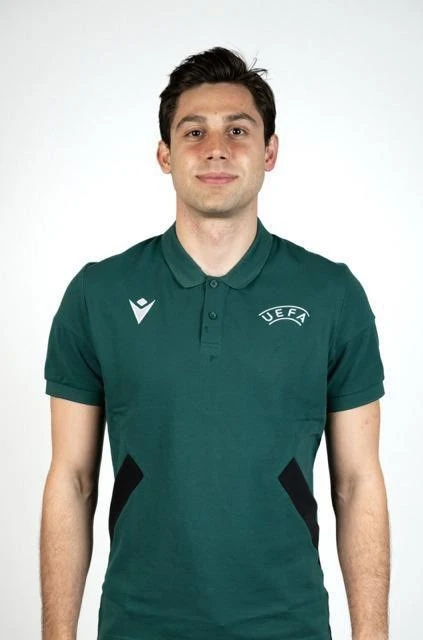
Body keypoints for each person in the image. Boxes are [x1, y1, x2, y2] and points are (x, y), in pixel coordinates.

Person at [40, 46, 390, 640]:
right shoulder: (99, 294)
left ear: (270, 151)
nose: (216, 149)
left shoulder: (332, 294)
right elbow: (72, 480)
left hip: (288, 624)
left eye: (238, 130)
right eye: (194, 131)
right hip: (138, 624)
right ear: (165, 154)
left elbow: (358, 483)